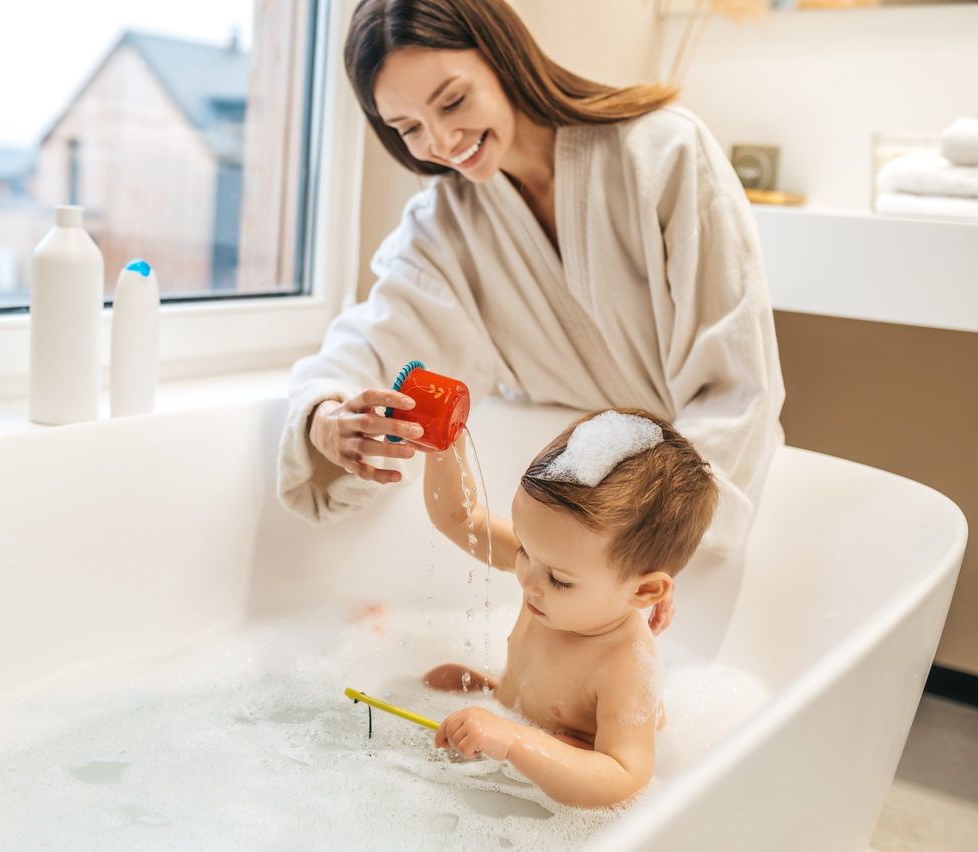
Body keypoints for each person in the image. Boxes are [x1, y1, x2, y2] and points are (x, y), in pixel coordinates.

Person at [275, 0, 784, 643]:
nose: (440, 142)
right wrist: (327, 416)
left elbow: (736, 380)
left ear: (502, 55)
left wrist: (648, 533)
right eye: (407, 128)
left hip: (671, 529)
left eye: (453, 102)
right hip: (558, 530)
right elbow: (373, 346)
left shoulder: (664, 153)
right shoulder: (443, 226)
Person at [423, 408, 718, 807]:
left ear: (644, 590)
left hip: (575, 755)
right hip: (519, 714)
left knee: (560, 747)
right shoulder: (555, 559)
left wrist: (514, 741)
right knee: (437, 679)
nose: (526, 578)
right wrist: (444, 439)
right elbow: (460, 518)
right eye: (524, 549)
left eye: (559, 580)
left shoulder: (626, 662)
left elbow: (624, 775)